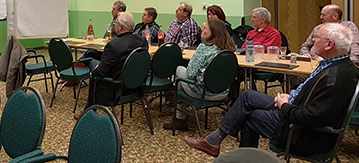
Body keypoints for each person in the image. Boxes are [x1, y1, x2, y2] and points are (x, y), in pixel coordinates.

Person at [183, 23, 359, 158]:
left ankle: (224, 148)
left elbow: (311, 118)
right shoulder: (340, 66)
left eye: (317, 38)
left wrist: (284, 105)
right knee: (247, 97)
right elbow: (313, 99)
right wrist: (290, 96)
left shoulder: (334, 78)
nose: (312, 40)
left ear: (329, 44)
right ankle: (215, 142)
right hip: (295, 107)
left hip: (302, 132)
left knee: (249, 116)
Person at [163, 19, 237, 131]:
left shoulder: (204, 48)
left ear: (214, 32)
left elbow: (190, 74)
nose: (201, 29)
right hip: (223, 93)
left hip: (202, 92)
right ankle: (179, 113)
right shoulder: (230, 49)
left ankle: (179, 118)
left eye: (205, 28)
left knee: (179, 70)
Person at [74, 12, 148, 120]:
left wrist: (94, 72)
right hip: (137, 86)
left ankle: (88, 112)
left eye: (116, 23)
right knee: (95, 64)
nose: (114, 25)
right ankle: (87, 111)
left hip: (116, 88)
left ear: (121, 27)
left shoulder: (113, 46)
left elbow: (102, 72)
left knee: (93, 66)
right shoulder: (142, 41)